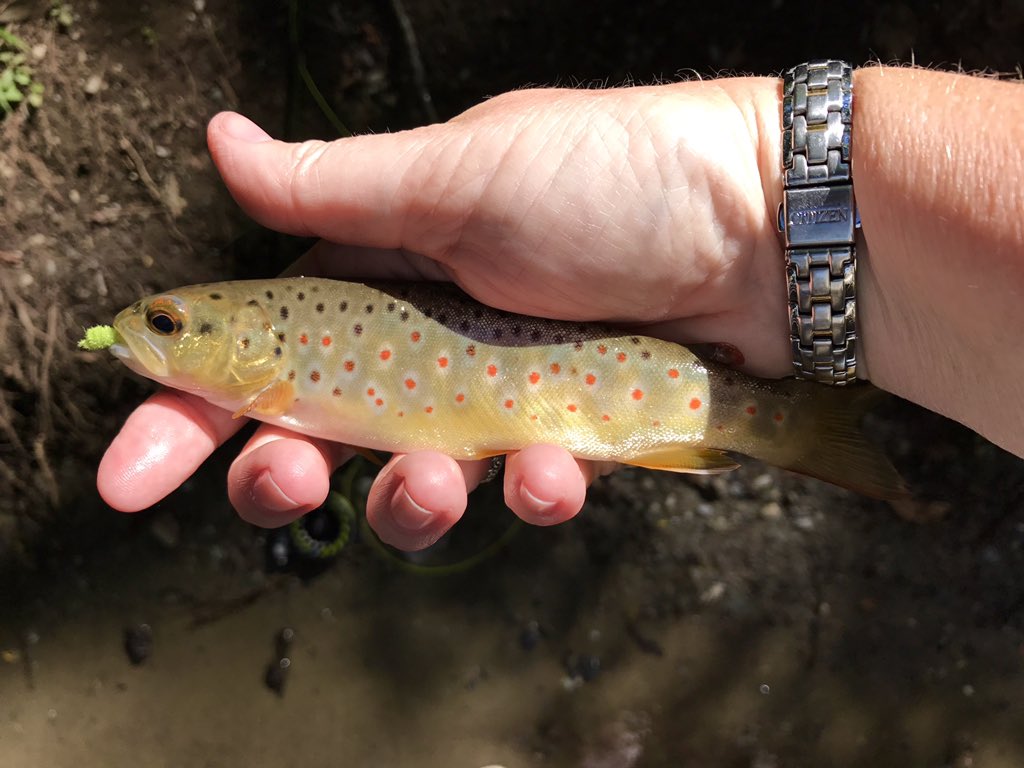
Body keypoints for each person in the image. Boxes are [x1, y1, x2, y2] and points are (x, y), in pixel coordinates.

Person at [97, 65, 1024, 551]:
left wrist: (758, 188)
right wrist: (766, 201)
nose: (151, 330)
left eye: (171, 324)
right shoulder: (283, 353)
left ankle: (787, 421)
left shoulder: (287, 354)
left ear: (252, 338)